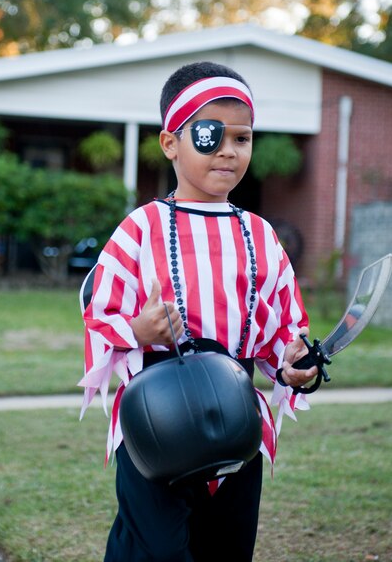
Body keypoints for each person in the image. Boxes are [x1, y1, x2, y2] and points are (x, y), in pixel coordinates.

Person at [79, 61, 319, 561]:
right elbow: (99, 313)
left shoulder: (261, 235)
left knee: (227, 548)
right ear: (171, 143)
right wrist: (138, 330)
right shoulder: (141, 228)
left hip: (235, 424)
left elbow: (283, 329)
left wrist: (295, 366)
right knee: (154, 550)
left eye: (242, 138)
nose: (229, 150)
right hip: (156, 420)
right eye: (211, 135)